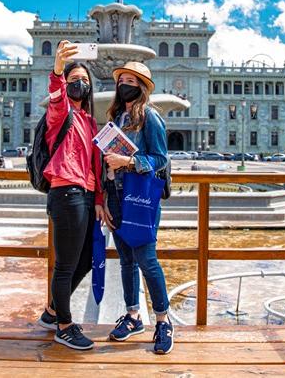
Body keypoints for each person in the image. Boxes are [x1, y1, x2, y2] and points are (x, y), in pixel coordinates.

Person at [36, 41, 111, 351]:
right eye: (74, 80)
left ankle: (52, 312)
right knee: (66, 264)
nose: (80, 84)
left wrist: (97, 199)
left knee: (85, 260)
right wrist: (57, 71)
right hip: (66, 193)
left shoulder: (91, 121)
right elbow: (55, 96)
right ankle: (64, 326)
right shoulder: (61, 113)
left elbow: (94, 165)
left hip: (84, 196)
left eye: (85, 81)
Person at [102, 61, 174, 355]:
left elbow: (161, 159)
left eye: (130, 80)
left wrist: (129, 162)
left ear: (141, 86)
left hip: (140, 198)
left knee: (147, 259)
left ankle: (163, 320)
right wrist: (105, 197)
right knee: (126, 261)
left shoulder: (150, 117)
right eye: (121, 80)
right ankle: (133, 317)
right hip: (117, 196)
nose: (124, 84)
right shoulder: (117, 117)